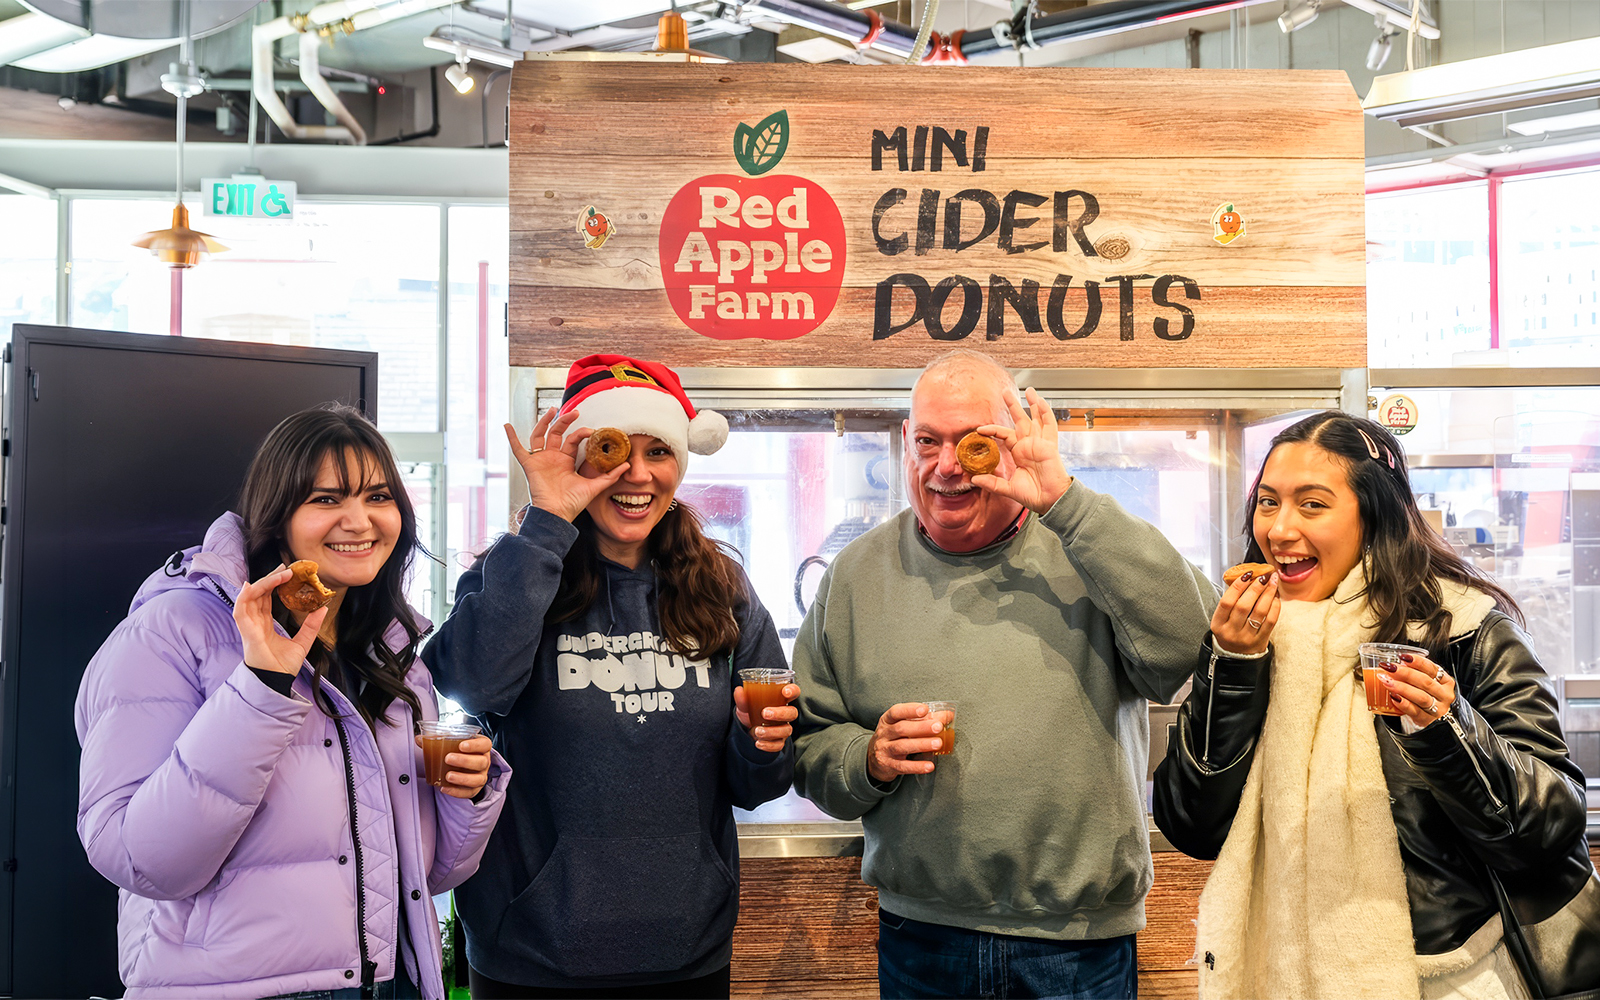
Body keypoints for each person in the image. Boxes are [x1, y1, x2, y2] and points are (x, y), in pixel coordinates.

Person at [790, 349, 1216, 1000]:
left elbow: (1192, 650)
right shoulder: (854, 576)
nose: (947, 466)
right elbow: (811, 746)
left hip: (1079, 947)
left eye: (975, 443)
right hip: (920, 938)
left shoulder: (1085, 546)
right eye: (928, 441)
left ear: (1015, 442)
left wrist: (1066, 502)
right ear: (906, 441)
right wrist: (868, 757)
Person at [1152, 410, 1596, 999]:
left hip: (1451, 976)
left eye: (1312, 505)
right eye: (1267, 502)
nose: (1280, 529)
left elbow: (1551, 827)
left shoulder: (1462, 630)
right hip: (1282, 975)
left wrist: (1446, 730)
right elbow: (1192, 824)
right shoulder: (1251, 634)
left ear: (1376, 515)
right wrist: (1232, 669)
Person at [75, 405, 509, 1000]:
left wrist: (468, 794)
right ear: (278, 516)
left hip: (389, 983)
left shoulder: (385, 648)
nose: (359, 521)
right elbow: (144, 860)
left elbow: (430, 875)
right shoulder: (173, 629)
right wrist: (259, 692)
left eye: (377, 496)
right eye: (326, 499)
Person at [424, 354, 798, 1000]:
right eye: (613, 450)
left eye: (660, 452)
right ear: (578, 454)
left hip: (685, 946)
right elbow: (472, 688)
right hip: (531, 949)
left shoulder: (721, 590)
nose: (637, 474)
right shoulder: (513, 575)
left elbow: (758, 783)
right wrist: (547, 523)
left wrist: (762, 746)